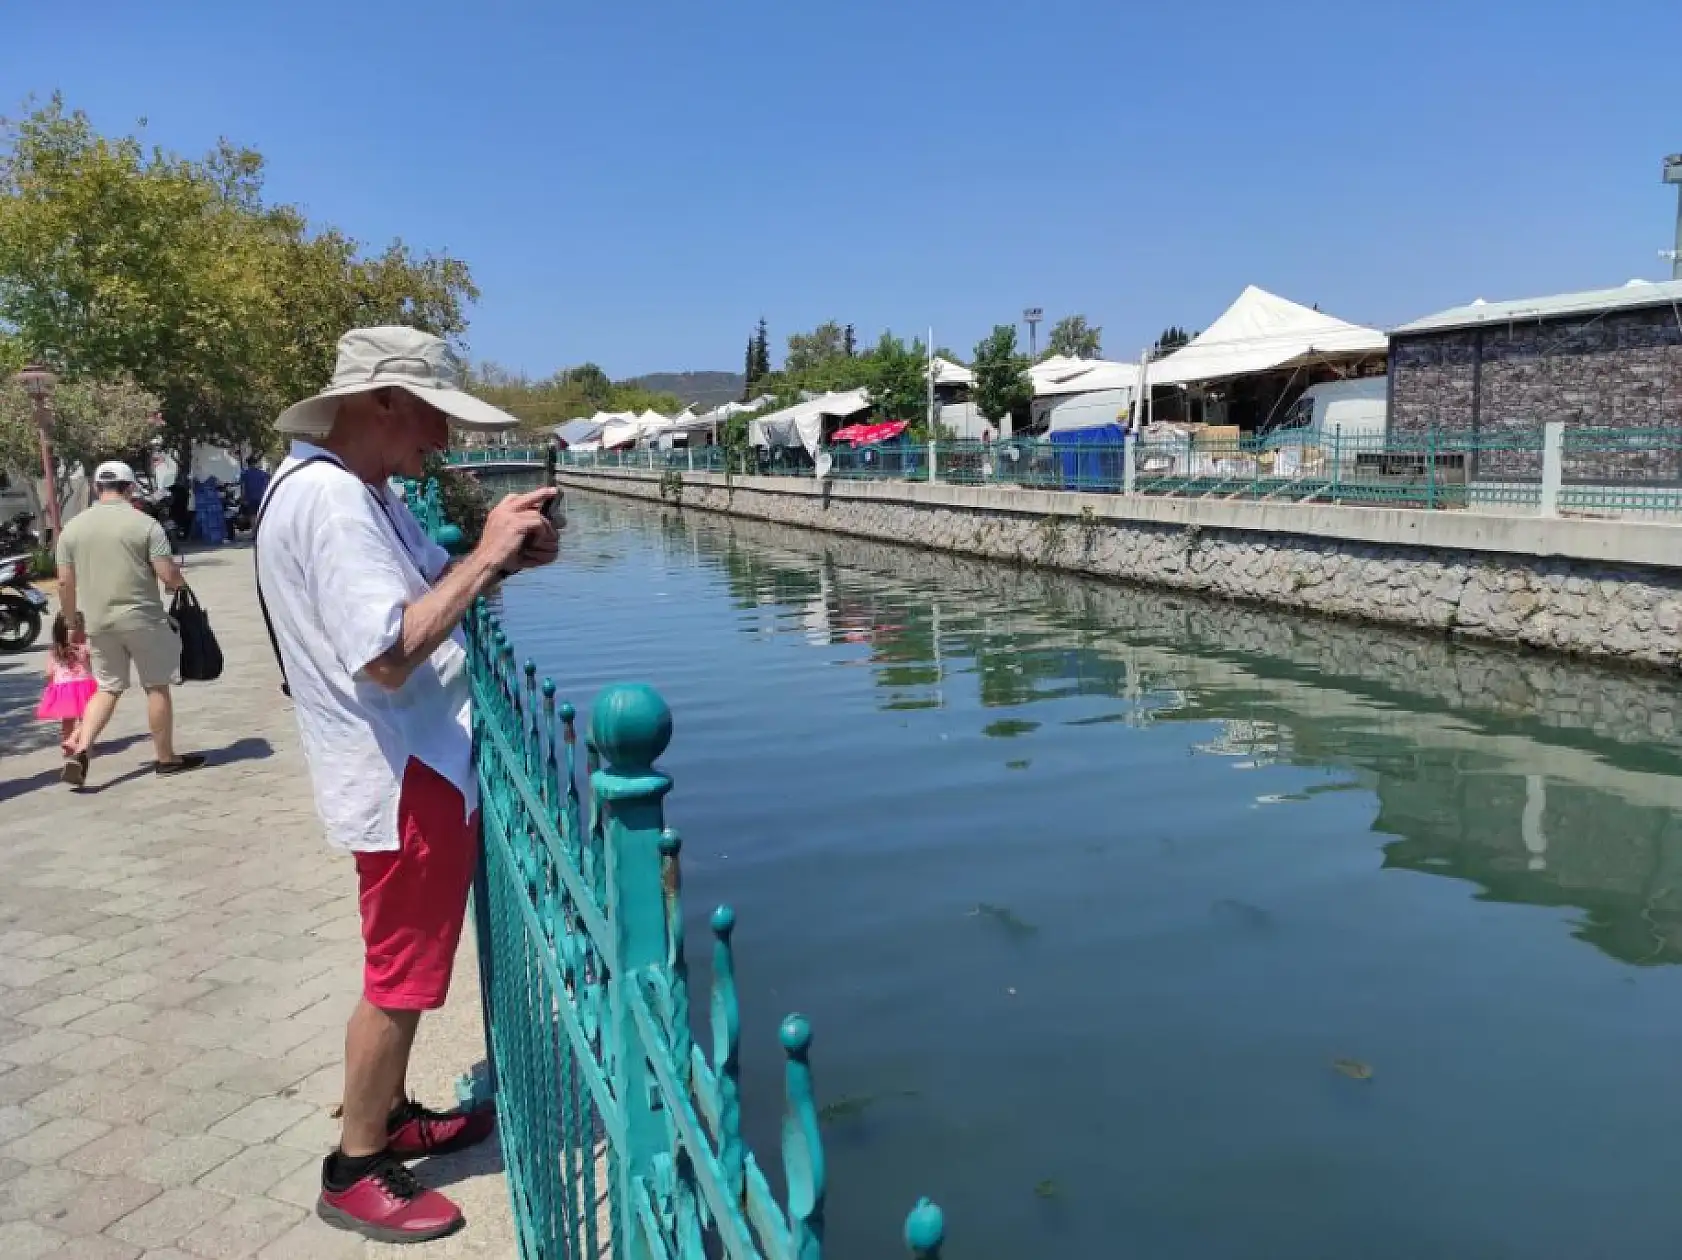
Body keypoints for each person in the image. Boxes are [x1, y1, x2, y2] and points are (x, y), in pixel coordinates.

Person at [257, 326, 558, 1244]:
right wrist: (487, 553)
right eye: (433, 414)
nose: (444, 436)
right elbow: (388, 653)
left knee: (408, 968)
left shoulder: (354, 491)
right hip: (402, 772)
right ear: (383, 401)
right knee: (399, 976)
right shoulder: (334, 503)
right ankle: (356, 1167)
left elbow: (433, 592)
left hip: (403, 765)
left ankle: (387, 1116)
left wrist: (501, 558)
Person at [54, 461, 204, 787]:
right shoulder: (146, 525)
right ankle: (166, 758)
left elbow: (64, 582)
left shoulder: (73, 529)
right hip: (143, 619)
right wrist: (178, 585)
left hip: (98, 623)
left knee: (108, 687)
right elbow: (166, 573)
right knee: (156, 686)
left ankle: (82, 748)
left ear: (97, 488)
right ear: (130, 488)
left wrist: (71, 622)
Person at [35, 611, 95, 754]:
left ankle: (68, 743)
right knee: (88, 717)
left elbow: (49, 672)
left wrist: (51, 684)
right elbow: (91, 666)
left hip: (63, 688)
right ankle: (83, 744)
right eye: (82, 628)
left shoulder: (55, 650)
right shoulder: (84, 648)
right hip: (84, 686)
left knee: (68, 719)